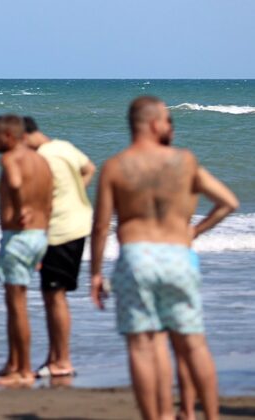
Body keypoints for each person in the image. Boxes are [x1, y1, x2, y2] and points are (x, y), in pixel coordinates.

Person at [90, 96, 239, 420]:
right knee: (193, 344)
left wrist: (96, 274)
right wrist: (195, 231)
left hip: (136, 257)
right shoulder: (184, 161)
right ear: (155, 123)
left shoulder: (116, 166)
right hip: (178, 256)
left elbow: (101, 226)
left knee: (144, 346)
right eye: (168, 120)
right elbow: (228, 202)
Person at [23, 117, 96, 378]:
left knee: (55, 297)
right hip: (77, 225)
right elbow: (90, 169)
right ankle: (54, 358)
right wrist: (76, 195)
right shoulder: (63, 147)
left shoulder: (41, 158)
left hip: (60, 231)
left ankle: (62, 361)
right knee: (53, 295)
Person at [0, 114, 53, 386]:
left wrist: (19, 208)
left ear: (9, 136)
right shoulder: (42, 160)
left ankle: (23, 370)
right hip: (39, 235)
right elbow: (50, 200)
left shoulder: (10, 159)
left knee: (17, 306)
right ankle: (13, 363)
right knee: (17, 302)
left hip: (18, 236)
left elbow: (15, 183)